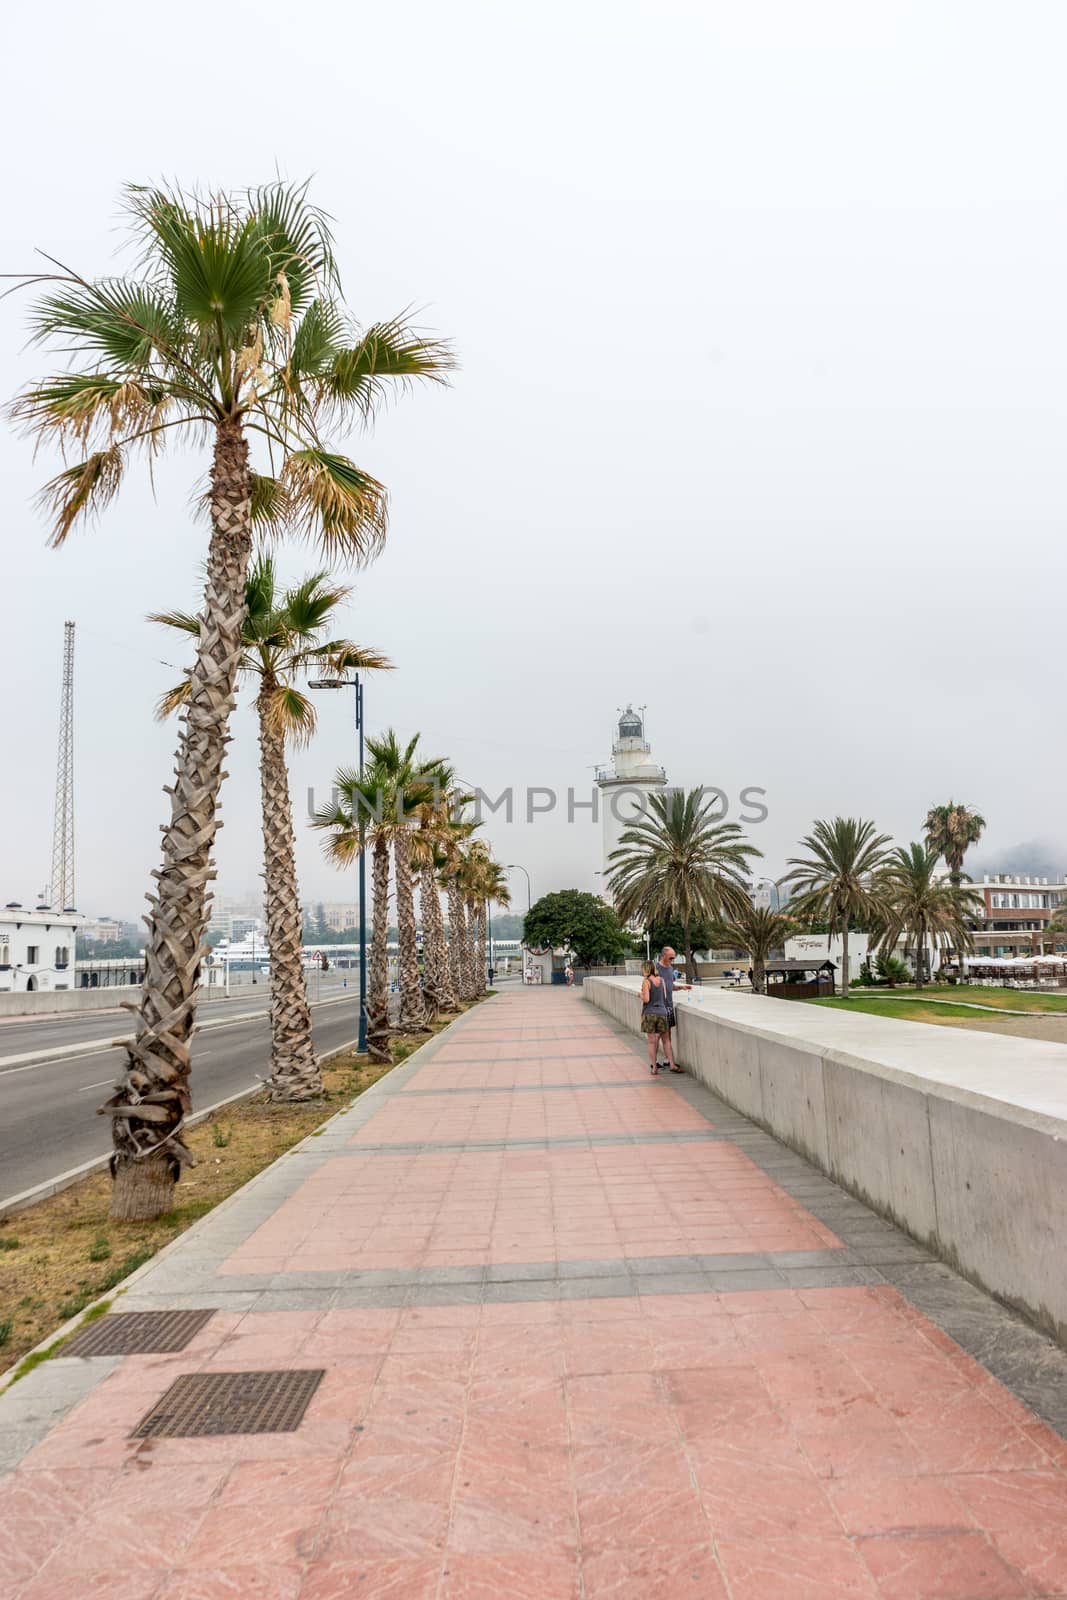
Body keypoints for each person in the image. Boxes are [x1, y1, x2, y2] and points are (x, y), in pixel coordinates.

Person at [656, 946, 686, 1072]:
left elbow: (670, 985)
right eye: (671, 957)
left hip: (669, 1005)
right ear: (663, 956)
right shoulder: (655, 969)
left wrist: (681, 988)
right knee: (656, 1035)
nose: (672, 960)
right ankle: (655, 1062)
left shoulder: (670, 968)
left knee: (668, 1033)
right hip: (658, 1006)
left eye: (674, 957)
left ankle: (667, 1060)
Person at [639, 959, 670, 1074]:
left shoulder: (646, 981)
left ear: (645, 969)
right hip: (662, 1013)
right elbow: (665, 996)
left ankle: (654, 1067)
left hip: (649, 1013)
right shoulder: (661, 980)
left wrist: (640, 995)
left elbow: (646, 999)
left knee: (652, 1042)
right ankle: (670, 1062)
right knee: (665, 1040)